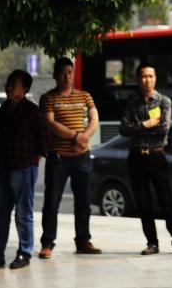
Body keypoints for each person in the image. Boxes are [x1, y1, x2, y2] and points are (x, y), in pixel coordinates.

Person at [0, 70, 50, 270]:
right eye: (8, 83)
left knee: (23, 214)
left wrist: (32, 164)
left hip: (24, 168)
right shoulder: (3, 109)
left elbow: (44, 143)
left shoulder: (33, 112)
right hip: (3, 168)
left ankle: (24, 252)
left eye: (13, 84)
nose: (8, 87)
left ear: (24, 89)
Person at [119, 63, 172, 255]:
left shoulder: (164, 101)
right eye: (143, 76)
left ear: (155, 78)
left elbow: (163, 128)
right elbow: (123, 129)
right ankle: (152, 242)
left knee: (167, 200)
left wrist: (138, 126)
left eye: (150, 76)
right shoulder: (132, 103)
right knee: (143, 202)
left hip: (157, 155)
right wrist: (147, 123)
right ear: (138, 79)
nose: (147, 80)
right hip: (137, 157)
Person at [39, 57, 101, 257]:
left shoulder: (85, 96)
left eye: (70, 72)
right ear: (55, 75)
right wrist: (76, 136)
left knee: (83, 201)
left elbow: (94, 119)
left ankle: (83, 241)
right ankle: (47, 243)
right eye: (63, 72)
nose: (67, 76)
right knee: (52, 202)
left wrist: (84, 137)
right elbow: (50, 123)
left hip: (82, 157)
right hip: (58, 158)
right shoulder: (48, 98)